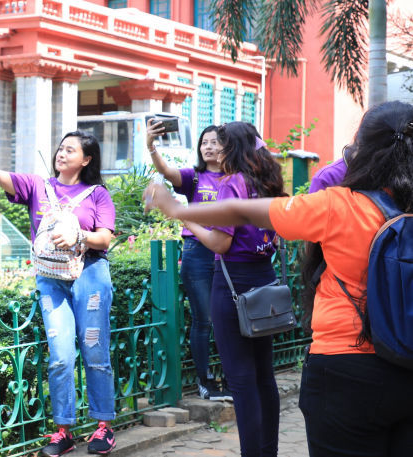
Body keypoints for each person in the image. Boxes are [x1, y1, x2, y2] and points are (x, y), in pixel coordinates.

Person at [144, 102, 413, 457]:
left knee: (244, 377)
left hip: (345, 366)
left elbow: (242, 213)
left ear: (359, 148)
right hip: (407, 365)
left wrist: (177, 210)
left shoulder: (337, 205)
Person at [147, 120, 285, 457]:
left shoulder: (232, 183)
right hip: (263, 278)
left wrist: (186, 219)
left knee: (241, 379)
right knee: (264, 376)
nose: (216, 150)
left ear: (233, 148)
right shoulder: (268, 182)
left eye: (221, 144)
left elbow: (219, 244)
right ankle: (267, 451)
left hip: (233, 282)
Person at [0, 131, 117, 456]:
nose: (62, 153)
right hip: (50, 279)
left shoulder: (97, 194)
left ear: (86, 159)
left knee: (95, 350)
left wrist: (78, 234)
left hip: (91, 275)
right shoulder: (36, 186)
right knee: (60, 355)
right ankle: (63, 431)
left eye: (71, 150)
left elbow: (105, 239)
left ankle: (104, 427)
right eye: (60, 147)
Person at [147, 122, 231, 401]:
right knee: (203, 319)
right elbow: (166, 171)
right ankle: (205, 382)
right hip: (197, 252)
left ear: (228, 146)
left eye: (215, 142)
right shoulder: (194, 177)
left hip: (228, 251)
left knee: (228, 319)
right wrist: (151, 146)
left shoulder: (237, 179)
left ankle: (231, 378)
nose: (209, 146)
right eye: (204, 142)